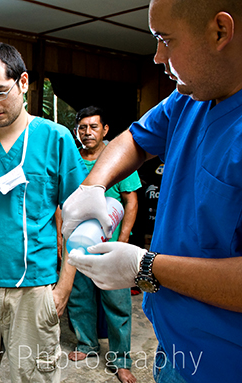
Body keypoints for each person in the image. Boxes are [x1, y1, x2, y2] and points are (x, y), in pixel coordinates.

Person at [61, 1, 242, 382]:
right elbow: (135, 140)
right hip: (174, 345)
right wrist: (94, 184)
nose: (158, 56)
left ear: (220, 31)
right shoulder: (189, 97)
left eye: (165, 40)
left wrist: (145, 267)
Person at [0, 42, 88, 383]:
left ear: (23, 82)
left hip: (35, 287)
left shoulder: (56, 139)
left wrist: (64, 287)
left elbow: (77, 217)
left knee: (34, 375)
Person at [66, 106, 141, 383]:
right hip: (77, 243)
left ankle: (121, 360)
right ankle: (87, 344)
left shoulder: (117, 157)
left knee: (117, 301)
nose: (87, 132)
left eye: (93, 127)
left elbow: (131, 201)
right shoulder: (71, 159)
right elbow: (63, 200)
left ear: (105, 130)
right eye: (82, 127)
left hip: (110, 245)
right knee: (80, 297)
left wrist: (122, 242)